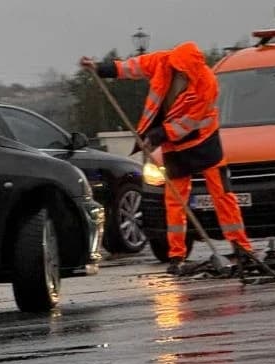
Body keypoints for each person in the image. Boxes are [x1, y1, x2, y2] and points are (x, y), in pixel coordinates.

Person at [81, 42, 253, 275]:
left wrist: (158, 135)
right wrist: (101, 68)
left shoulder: (207, 84)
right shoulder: (163, 62)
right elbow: (134, 66)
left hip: (204, 142)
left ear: (193, 69)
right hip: (173, 146)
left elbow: (188, 124)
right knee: (175, 201)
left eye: (184, 70)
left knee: (222, 195)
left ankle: (241, 247)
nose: (179, 73)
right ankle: (176, 255)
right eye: (177, 68)